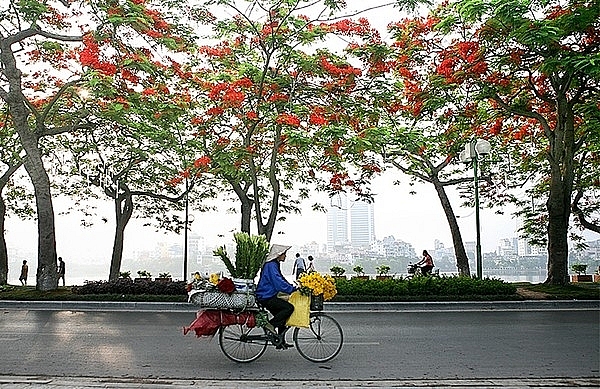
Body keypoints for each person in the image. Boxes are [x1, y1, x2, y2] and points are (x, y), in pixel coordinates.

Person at [256, 244, 296, 341]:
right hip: (266, 296)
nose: (285, 256)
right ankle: (270, 325)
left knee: (282, 316)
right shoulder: (271, 265)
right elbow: (278, 282)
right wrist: (291, 289)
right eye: (284, 254)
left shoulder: (274, 264)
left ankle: (280, 340)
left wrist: (292, 287)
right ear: (278, 255)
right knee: (289, 308)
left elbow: (281, 279)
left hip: (269, 295)